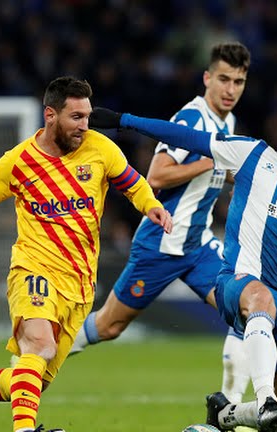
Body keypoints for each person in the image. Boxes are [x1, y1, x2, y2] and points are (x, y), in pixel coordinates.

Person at [89, 108, 277, 432]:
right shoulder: (252, 155)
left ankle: (225, 416)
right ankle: (266, 398)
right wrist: (125, 120)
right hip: (238, 283)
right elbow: (187, 138)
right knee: (261, 298)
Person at [0, 76, 172, 432]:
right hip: (33, 268)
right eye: (76, 117)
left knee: (33, 379)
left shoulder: (101, 150)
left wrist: (150, 205)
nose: (84, 126)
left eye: (87, 116)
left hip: (79, 284)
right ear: (50, 115)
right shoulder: (18, 162)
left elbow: (133, 183)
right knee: (39, 344)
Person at [71, 41, 252, 406]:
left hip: (198, 247)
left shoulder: (227, 122)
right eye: (224, 79)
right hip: (161, 243)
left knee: (246, 310)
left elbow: (223, 172)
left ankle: (230, 412)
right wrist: (213, 161)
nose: (231, 89)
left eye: (239, 81)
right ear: (207, 78)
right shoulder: (192, 119)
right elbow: (156, 175)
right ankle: (40, 354)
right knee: (109, 326)